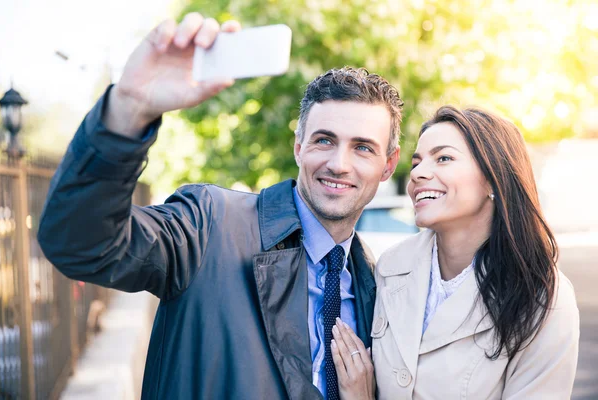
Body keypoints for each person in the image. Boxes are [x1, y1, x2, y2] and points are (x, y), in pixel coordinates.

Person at [37, 13, 404, 400]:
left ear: (388, 165)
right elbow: (81, 243)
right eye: (324, 141)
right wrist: (128, 109)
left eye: (363, 147)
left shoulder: (376, 285)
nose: (339, 163)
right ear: (298, 147)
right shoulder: (208, 223)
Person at [331, 106, 580, 399]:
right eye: (417, 163)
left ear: (492, 178)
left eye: (444, 158)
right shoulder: (390, 268)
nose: (418, 174)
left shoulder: (542, 297)